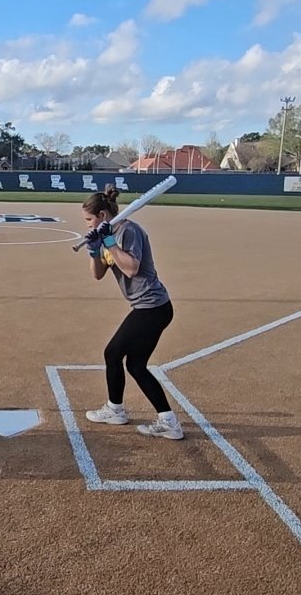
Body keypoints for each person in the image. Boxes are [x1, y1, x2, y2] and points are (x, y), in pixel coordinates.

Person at [80, 184, 182, 440]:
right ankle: (166, 420)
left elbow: (131, 268)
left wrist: (109, 242)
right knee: (135, 365)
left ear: (103, 215)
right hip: (145, 307)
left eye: (90, 220)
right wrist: (95, 251)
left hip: (153, 307)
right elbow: (98, 274)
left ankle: (115, 409)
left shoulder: (128, 230)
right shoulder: (107, 233)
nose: (88, 225)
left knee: (112, 352)